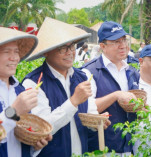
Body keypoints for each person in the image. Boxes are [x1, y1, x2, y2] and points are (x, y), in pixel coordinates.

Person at [22, 17, 109, 157]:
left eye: (71, 46)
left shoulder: (82, 77)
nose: (70, 52)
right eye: (62, 48)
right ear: (46, 52)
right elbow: (42, 129)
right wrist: (73, 101)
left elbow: (90, 112)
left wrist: (97, 121)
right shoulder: (34, 83)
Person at [0, 25, 52, 157]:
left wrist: (35, 144)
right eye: (6, 52)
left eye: (16, 52)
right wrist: (13, 112)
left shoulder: (19, 89)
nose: (14, 58)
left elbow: (19, 134)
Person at [82, 21, 139, 156]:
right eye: (116, 42)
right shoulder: (90, 72)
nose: (123, 45)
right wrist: (115, 95)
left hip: (129, 147)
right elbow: (86, 109)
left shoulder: (132, 71)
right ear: (102, 46)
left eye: (124, 40)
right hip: (103, 149)